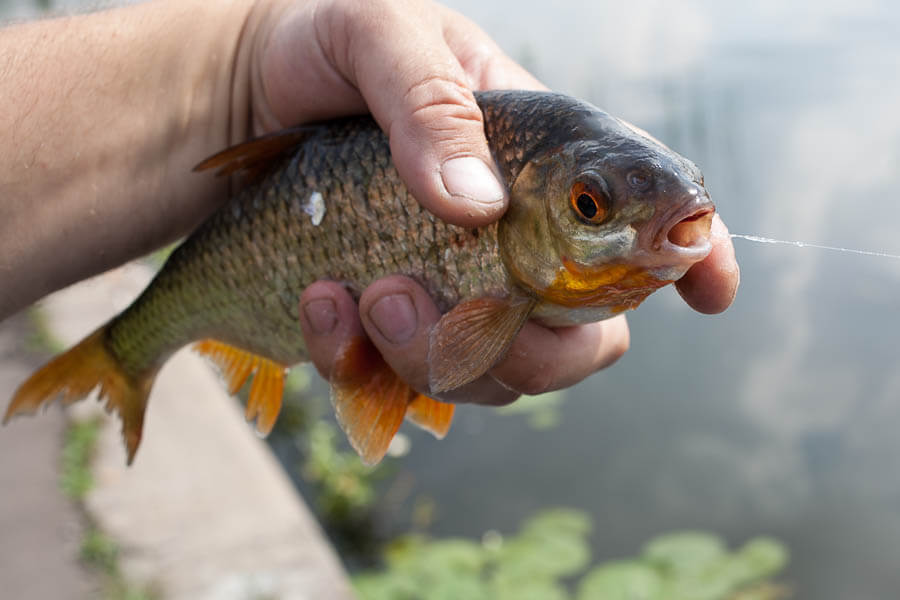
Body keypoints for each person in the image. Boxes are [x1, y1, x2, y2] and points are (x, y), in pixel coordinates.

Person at [0, 0, 739, 406]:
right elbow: (455, 357)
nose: (659, 225)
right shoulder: (484, 179)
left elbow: (454, 361)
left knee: (388, 358)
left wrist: (245, 67)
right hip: (273, 219)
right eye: (589, 205)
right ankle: (125, 357)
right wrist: (245, 70)